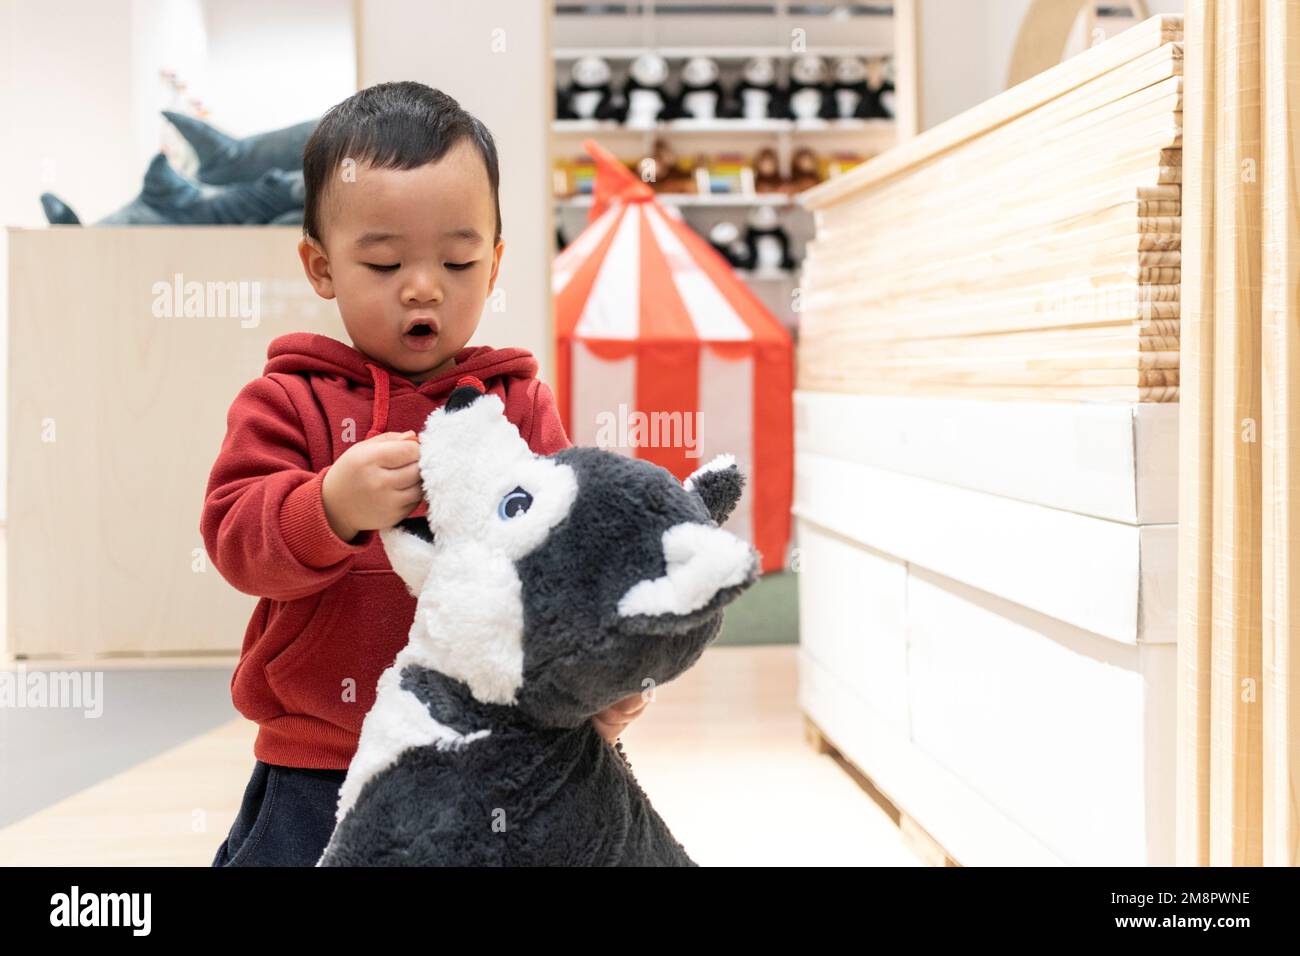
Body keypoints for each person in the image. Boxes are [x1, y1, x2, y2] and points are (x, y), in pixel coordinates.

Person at [202, 82, 647, 866]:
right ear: (321, 266)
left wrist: (599, 679)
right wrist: (328, 505)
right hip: (320, 758)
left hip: (488, 753)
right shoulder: (284, 400)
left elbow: (562, 562)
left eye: (458, 258)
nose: (423, 285)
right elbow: (237, 541)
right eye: (383, 260)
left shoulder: (518, 403)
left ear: (496, 261)